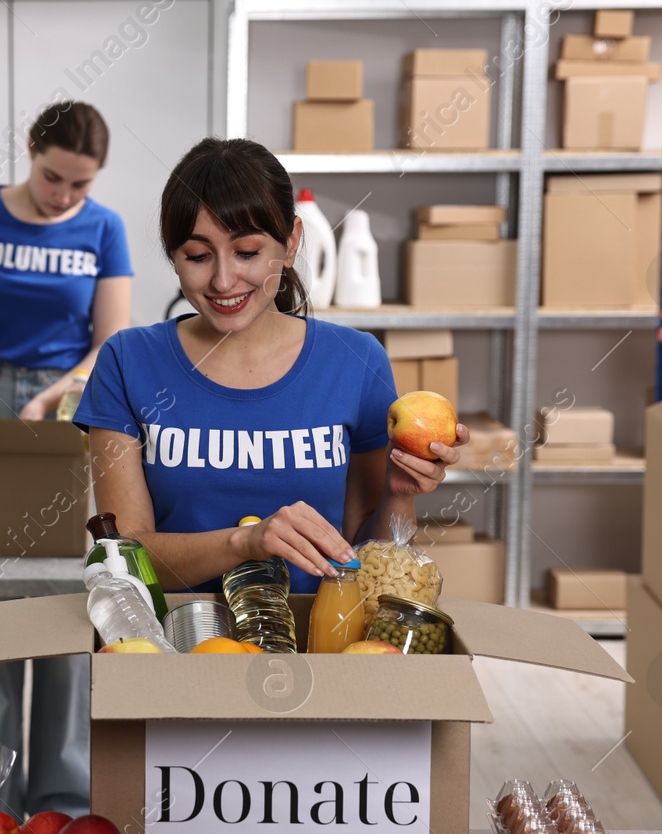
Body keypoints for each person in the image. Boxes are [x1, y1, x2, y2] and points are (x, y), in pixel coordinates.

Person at [72, 137, 467, 603]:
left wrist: (400, 492)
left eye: (247, 252)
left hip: (316, 639)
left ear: (292, 241)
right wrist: (246, 542)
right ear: (173, 255)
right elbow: (126, 557)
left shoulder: (355, 360)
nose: (222, 281)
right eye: (197, 257)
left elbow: (364, 553)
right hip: (172, 645)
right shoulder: (127, 361)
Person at [0, 101, 131, 817]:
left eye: (80, 184)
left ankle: (62, 799)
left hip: (68, 412)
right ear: (31, 151)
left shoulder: (104, 230)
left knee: (68, 597)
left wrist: (56, 396)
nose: (64, 196)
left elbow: (110, 343)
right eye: (52, 177)